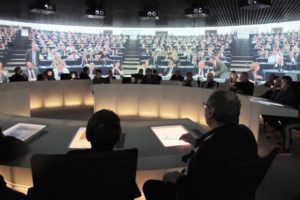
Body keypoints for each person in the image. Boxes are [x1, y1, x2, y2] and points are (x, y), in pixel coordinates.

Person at [143, 91, 258, 200]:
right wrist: (197, 142)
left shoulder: (209, 149)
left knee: (150, 186)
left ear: (210, 112)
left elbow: (196, 191)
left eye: (205, 107)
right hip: (235, 193)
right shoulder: (246, 133)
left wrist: (178, 178)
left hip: (203, 194)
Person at [68, 109, 141, 198]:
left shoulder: (73, 157)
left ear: (87, 135)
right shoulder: (122, 163)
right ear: (118, 137)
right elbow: (132, 194)